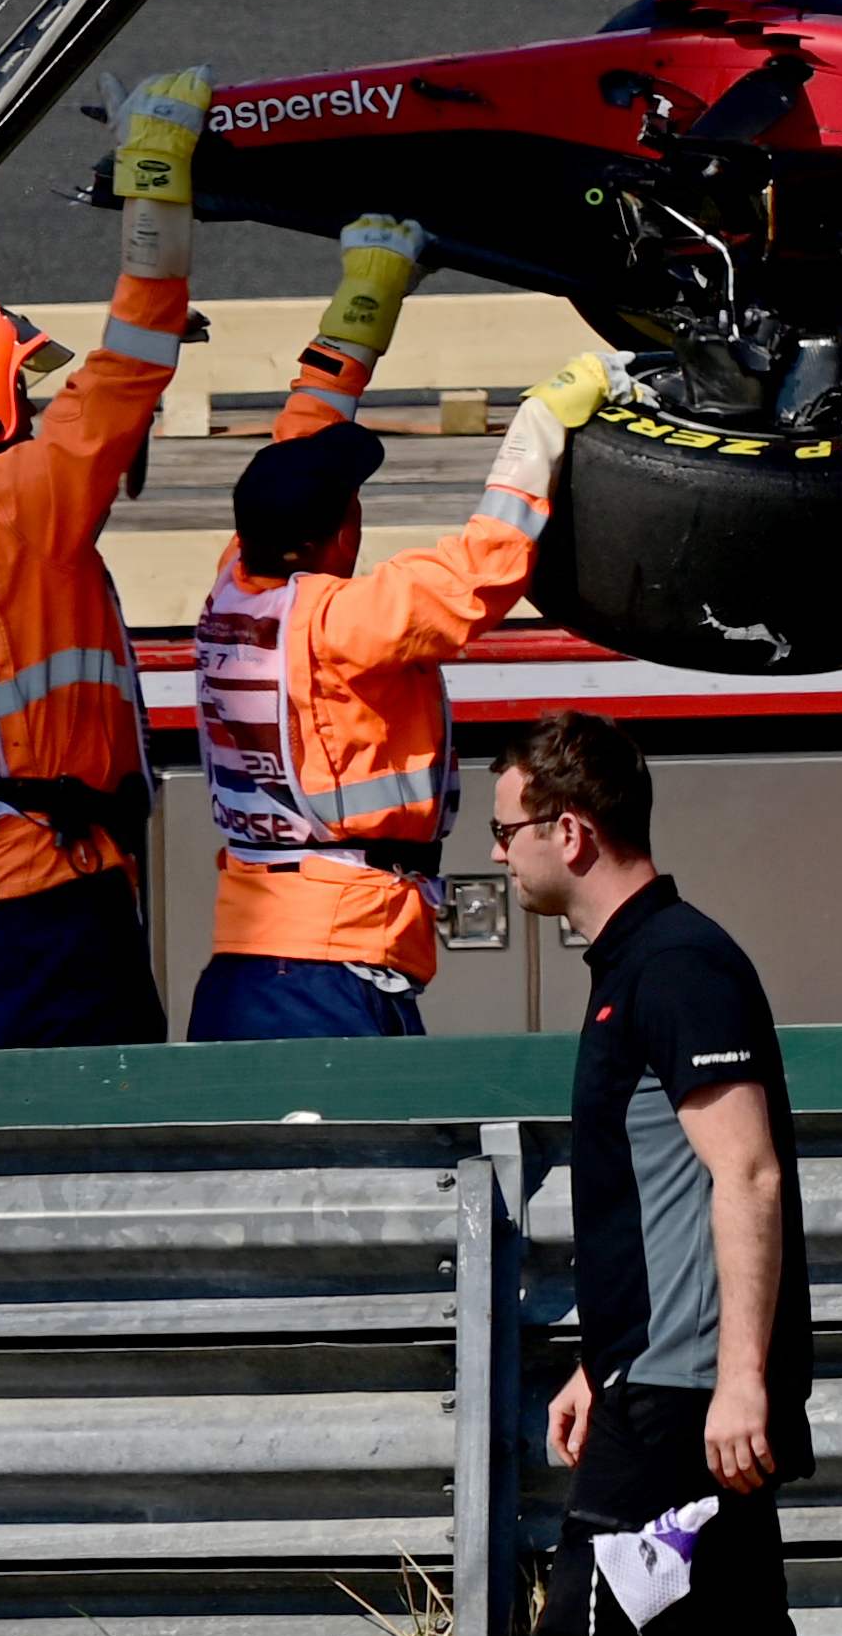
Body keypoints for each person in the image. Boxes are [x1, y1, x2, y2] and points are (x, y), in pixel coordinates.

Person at [499, 710, 829, 1636]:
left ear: (572, 832)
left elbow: (747, 1177)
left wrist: (738, 1380)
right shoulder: (632, 967)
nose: (498, 855)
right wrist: (598, 1357)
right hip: (661, 1379)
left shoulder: (678, 966)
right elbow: (660, 1198)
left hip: (687, 1401)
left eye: (507, 833)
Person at [188, 211, 614, 1042]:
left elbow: (297, 439)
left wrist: (369, 294)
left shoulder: (237, 590)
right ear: (335, 533)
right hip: (325, 968)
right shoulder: (345, 621)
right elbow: (483, 568)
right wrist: (541, 425)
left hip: (263, 953)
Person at [0, 64, 210, 1051]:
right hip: (44, 894)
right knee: (110, 1148)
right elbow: (129, 358)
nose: (37, 404)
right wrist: (158, 174)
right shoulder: (13, 504)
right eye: (23, 384)